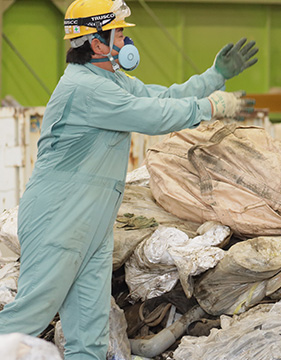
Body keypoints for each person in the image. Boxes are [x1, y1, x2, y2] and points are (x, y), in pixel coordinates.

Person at [0, 0, 258, 358]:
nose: (125, 42)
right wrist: (211, 107)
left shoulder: (111, 80)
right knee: (30, 314)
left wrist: (214, 77)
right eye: (119, 33)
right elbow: (151, 115)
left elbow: (163, 97)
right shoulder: (85, 88)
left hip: (92, 222)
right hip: (57, 219)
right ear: (97, 43)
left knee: (89, 329)